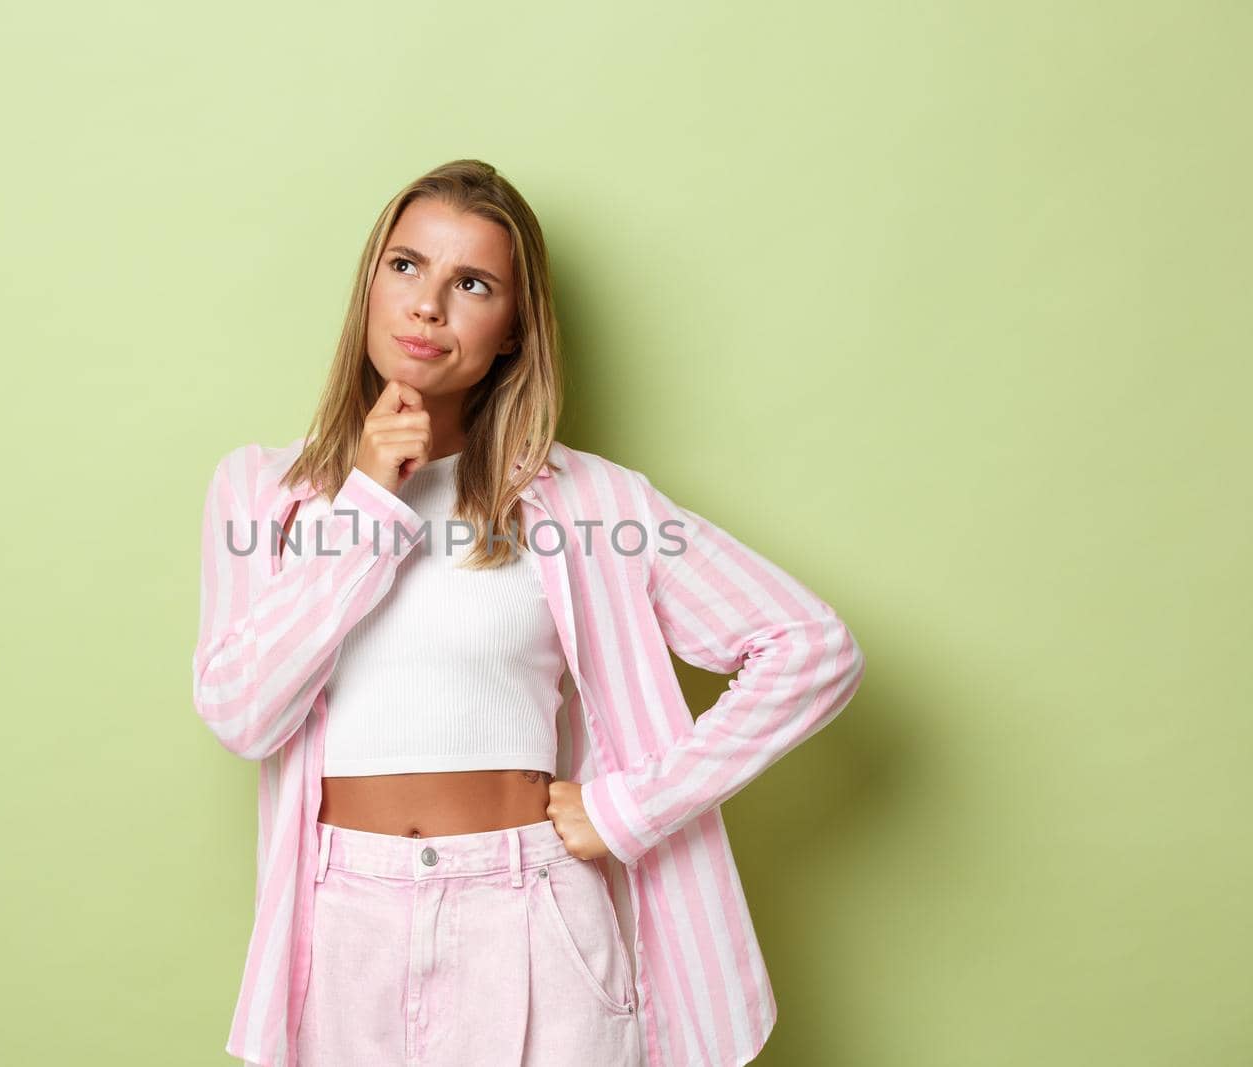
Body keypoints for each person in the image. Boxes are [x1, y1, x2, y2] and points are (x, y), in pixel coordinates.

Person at [193, 159, 867, 1067]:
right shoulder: (264, 493)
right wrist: (366, 507)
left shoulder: (593, 504)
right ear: (370, 285)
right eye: (406, 266)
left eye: (471, 284)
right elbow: (242, 710)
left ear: (511, 329)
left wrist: (630, 810)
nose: (428, 305)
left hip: (531, 911)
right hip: (342, 920)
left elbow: (812, 646)